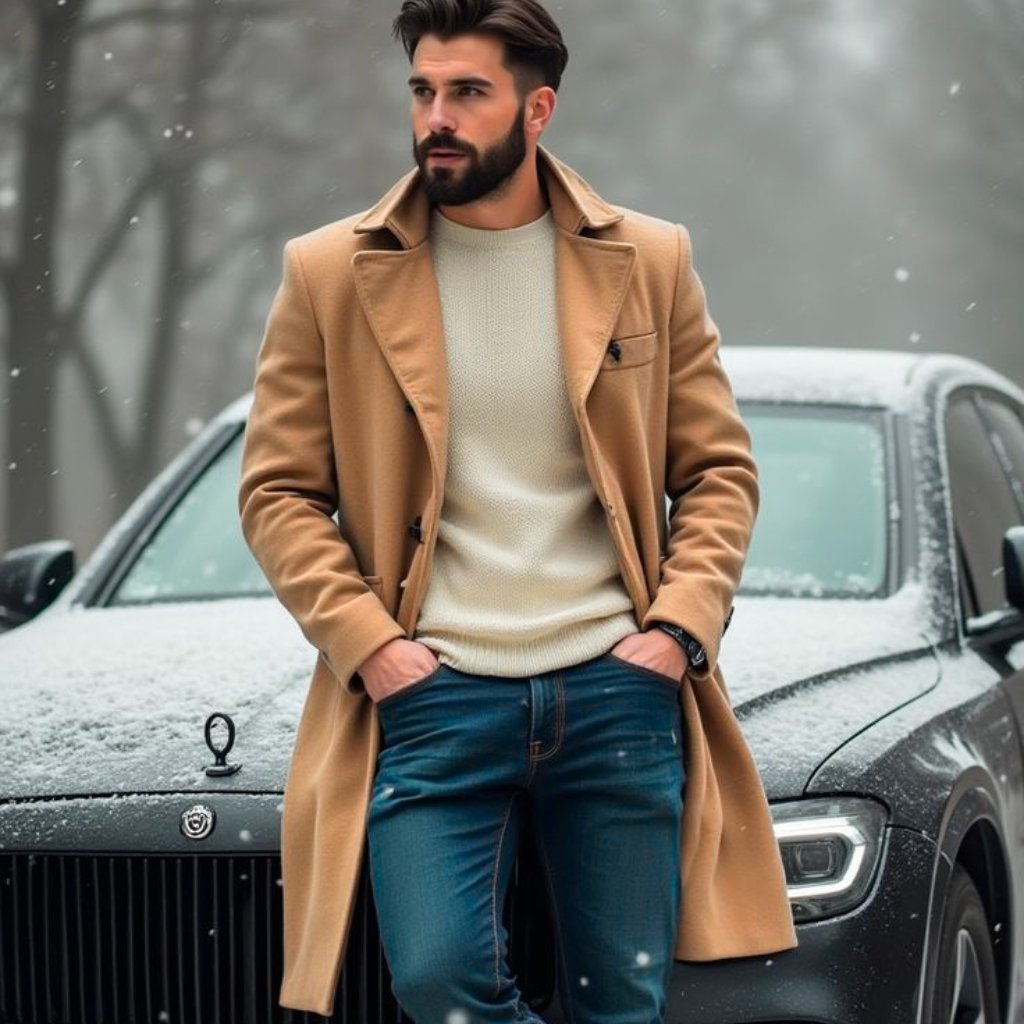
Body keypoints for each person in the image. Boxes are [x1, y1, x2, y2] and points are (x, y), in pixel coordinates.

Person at [237, 0, 798, 1019]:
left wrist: (676, 628)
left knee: (620, 1004)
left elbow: (715, 471)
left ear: (538, 109)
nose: (435, 117)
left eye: (467, 93)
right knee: (440, 980)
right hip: (432, 694)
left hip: (616, 691)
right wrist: (372, 646)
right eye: (422, 90)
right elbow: (277, 491)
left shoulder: (649, 259)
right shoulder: (329, 272)